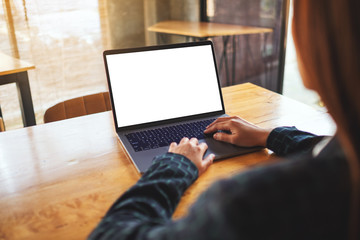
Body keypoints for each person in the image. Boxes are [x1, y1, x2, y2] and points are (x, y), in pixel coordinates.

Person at [89, 0, 360, 239]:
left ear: (318, 38)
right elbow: (329, 149)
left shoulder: (249, 204)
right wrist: (268, 135)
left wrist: (176, 164)